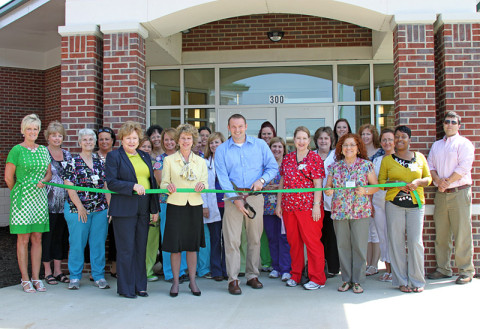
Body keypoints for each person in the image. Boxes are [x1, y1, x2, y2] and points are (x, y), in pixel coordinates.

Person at [215, 114, 278, 295]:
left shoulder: (259, 145)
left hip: (255, 196)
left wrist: (262, 180)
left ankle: (252, 275)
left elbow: (272, 167)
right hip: (232, 197)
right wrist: (235, 198)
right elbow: (222, 176)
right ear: (228, 127)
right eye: (233, 127)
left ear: (246, 126)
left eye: (240, 126)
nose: (237, 130)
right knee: (232, 240)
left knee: (254, 238)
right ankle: (233, 279)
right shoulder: (222, 150)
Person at [105, 121, 160, 298]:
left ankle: (140, 285)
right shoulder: (114, 157)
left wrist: (154, 209)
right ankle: (126, 288)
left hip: (143, 208)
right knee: (126, 249)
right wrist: (132, 186)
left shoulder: (144, 156)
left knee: (140, 248)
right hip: (124, 209)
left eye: (134, 138)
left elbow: (152, 183)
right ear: (122, 139)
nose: (131, 141)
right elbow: (112, 182)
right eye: (128, 138)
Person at [378, 125, 432, 293]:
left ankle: (417, 280)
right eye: (397, 137)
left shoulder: (420, 157)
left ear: (410, 139)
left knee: (415, 242)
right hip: (394, 204)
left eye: (403, 136)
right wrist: (395, 185)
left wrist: (418, 183)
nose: (399, 139)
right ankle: (401, 280)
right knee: (396, 243)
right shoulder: (387, 160)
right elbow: (381, 183)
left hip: (416, 205)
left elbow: (428, 179)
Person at [324, 133, 379, 294]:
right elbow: (328, 186)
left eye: (352, 145)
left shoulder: (366, 165)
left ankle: (358, 281)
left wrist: (366, 190)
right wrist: (328, 191)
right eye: (345, 145)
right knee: (343, 246)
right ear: (340, 148)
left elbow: (376, 186)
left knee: (359, 246)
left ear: (358, 148)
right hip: (339, 211)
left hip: (360, 211)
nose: (348, 148)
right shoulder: (334, 167)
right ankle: (346, 279)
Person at [4, 114, 52, 293]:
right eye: (29, 129)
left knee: (37, 237)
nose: (32, 132)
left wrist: (44, 181)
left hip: (39, 199)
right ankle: (25, 279)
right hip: (22, 199)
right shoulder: (16, 150)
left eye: (35, 129)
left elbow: (48, 174)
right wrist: (18, 191)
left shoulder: (43, 150)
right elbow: (9, 178)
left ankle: (36, 278)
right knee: (23, 239)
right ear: (23, 130)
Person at [426, 111, 475, 284]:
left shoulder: (464, 144)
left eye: (453, 122)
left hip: (459, 192)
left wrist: (447, 182)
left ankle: (466, 270)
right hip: (441, 194)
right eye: (447, 122)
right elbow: (430, 165)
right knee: (442, 234)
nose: (449, 124)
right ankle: (443, 268)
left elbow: (464, 167)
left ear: (459, 125)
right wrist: (438, 181)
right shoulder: (437, 145)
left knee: (462, 233)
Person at [161, 124, 208, 297]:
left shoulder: (201, 161)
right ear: (178, 141)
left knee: (192, 247)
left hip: (194, 206)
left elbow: (205, 183)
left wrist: (202, 185)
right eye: (183, 138)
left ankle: (193, 281)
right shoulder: (169, 160)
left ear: (193, 140)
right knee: (175, 247)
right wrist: (169, 187)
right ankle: (175, 282)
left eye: (189, 138)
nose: (186, 141)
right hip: (175, 205)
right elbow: (163, 183)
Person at [276, 127, 325, 290]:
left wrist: (316, 206)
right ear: (294, 140)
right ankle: (296, 274)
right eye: (298, 138)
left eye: (304, 138)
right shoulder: (288, 158)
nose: (301, 141)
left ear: (309, 140)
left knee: (312, 243)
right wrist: (279, 204)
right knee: (294, 243)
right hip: (289, 207)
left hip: (308, 208)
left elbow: (318, 183)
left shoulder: (315, 158)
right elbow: (282, 182)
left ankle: (317, 278)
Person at [63, 128, 110, 290]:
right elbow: (69, 186)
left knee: (98, 243)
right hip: (78, 210)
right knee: (77, 243)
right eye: (85, 140)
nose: (88, 142)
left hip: (100, 209)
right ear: (79, 142)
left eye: (91, 139)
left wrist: (110, 207)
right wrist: (80, 207)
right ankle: (75, 277)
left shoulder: (100, 161)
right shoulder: (73, 162)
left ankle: (98, 276)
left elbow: (105, 185)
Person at [152, 128, 188, 283]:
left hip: (185, 202)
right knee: (169, 238)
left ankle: (182, 270)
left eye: (172, 139)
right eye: (166, 139)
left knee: (184, 237)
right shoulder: (160, 160)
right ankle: (170, 272)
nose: (169, 142)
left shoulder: (185, 158)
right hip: (167, 203)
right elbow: (161, 182)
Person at [42, 121, 71, 285]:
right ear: (48, 136)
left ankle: (58, 270)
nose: (57, 138)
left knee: (61, 237)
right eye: (54, 135)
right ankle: (47, 271)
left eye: (60, 135)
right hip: (47, 204)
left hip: (65, 205)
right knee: (48, 237)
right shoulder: (42, 153)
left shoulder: (67, 155)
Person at [313, 127, 340, 278]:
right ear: (316, 141)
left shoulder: (336, 156)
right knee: (318, 237)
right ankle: (318, 267)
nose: (323, 141)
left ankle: (333, 268)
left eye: (326, 138)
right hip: (315, 203)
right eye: (320, 138)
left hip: (332, 202)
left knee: (332, 237)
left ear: (331, 140)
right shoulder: (311, 156)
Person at [264, 137, 291, 281]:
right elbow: (261, 184)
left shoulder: (288, 164)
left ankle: (286, 268)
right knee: (272, 238)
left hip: (284, 207)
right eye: (274, 146)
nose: (277, 149)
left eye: (280, 147)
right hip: (267, 207)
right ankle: (276, 267)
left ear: (284, 149)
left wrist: (275, 187)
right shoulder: (265, 165)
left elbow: (288, 185)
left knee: (284, 238)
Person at [202, 132, 228, 281]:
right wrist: (204, 206)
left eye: (216, 142)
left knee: (228, 239)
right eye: (211, 143)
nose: (213, 145)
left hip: (228, 205)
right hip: (213, 206)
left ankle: (226, 269)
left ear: (222, 143)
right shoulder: (205, 163)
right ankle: (216, 270)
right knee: (215, 238)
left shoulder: (228, 161)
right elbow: (203, 187)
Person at [359, 123, 384, 276]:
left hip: (377, 196)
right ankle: (368, 264)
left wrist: (372, 196)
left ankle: (375, 263)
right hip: (362, 197)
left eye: (368, 134)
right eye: (363, 134)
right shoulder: (359, 154)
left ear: (373, 135)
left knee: (376, 232)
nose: (365, 137)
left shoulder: (380, 153)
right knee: (367, 232)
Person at [372, 128, 395, 282]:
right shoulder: (376, 160)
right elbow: (371, 184)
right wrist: (370, 204)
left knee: (395, 237)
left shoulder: (400, 159)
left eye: (390, 139)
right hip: (378, 203)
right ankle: (387, 269)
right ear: (380, 143)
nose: (387, 143)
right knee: (383, 237)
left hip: (395, 203)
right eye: (384, 140)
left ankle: (397, 269)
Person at [138, 137, 161, 282]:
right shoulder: (132, 164)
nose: (146, 149)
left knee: (152, 241)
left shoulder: (156, 164)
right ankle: (139, 270)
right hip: (138, 207)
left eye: (148, 146)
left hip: (153, 206)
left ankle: (148, 269)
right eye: (143, 146)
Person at [96, 127, 117, 278]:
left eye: (107, 139)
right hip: (96, 203)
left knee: (115, 236)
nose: (104, 142)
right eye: (101, 139)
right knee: (97, 238)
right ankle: (96, 270)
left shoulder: (117, 156)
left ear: (113, 141)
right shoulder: (92, 157)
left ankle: (115, 268)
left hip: (116, 202)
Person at [258, 121, 277, 272]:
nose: (266, 136)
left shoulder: (281, 155)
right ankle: (266, 262)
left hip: (278, 204)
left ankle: (277, 263)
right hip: (260, 201)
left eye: (269, 134)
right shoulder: (257, 154)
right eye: (263, 134)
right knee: (263, 235)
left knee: (277, 235)